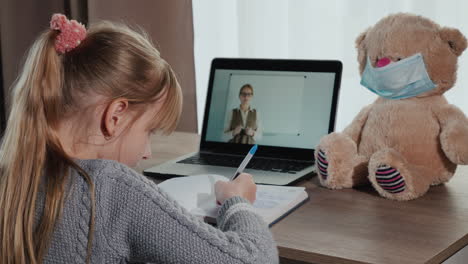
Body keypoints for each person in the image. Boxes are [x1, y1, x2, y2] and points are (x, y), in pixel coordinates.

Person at [0, 14, 278, 264]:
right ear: (116, 116)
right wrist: (237, 203)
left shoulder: (11, 176)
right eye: (149, 131)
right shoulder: (110, 187)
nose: (147, 152)